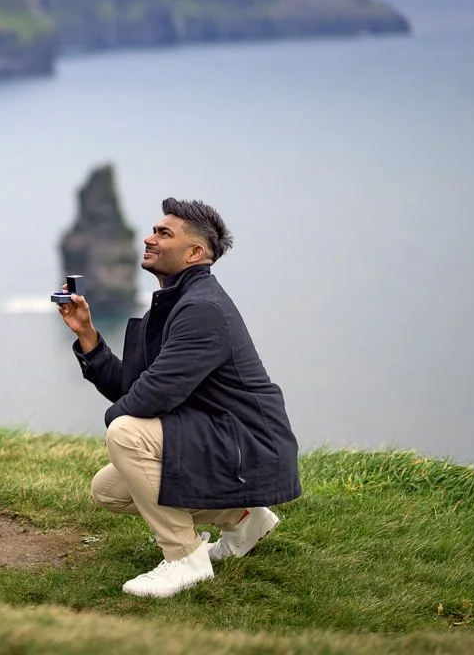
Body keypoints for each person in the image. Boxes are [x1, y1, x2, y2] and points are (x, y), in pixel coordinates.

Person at [56, 197, 301, 598]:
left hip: (248, 446)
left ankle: (185, 558)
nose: (149, 239)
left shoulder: (202, 309)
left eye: (163, 233)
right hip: (220, 438)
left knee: (126, 435)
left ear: (194, 253)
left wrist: (120, 427)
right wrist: (87, 336)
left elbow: (149, 398)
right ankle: (243, 519)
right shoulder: (176, 302)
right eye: (154, 230)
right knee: (110, 489)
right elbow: (133, 387)